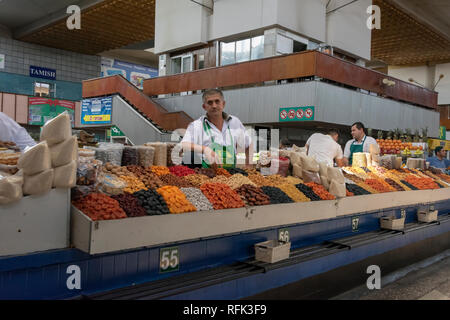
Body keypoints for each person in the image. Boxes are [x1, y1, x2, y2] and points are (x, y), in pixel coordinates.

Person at [181, 89, 253, 168]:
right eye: (210, 102)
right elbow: (184, 145)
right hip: (206, 175)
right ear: (204, 107)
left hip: (232, 175)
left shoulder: (235, 122)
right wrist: (205, 149)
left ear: (223, 104)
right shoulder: (197, 125)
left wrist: (248, 166)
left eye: (217, 101)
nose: (214, 106)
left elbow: (249, 144)